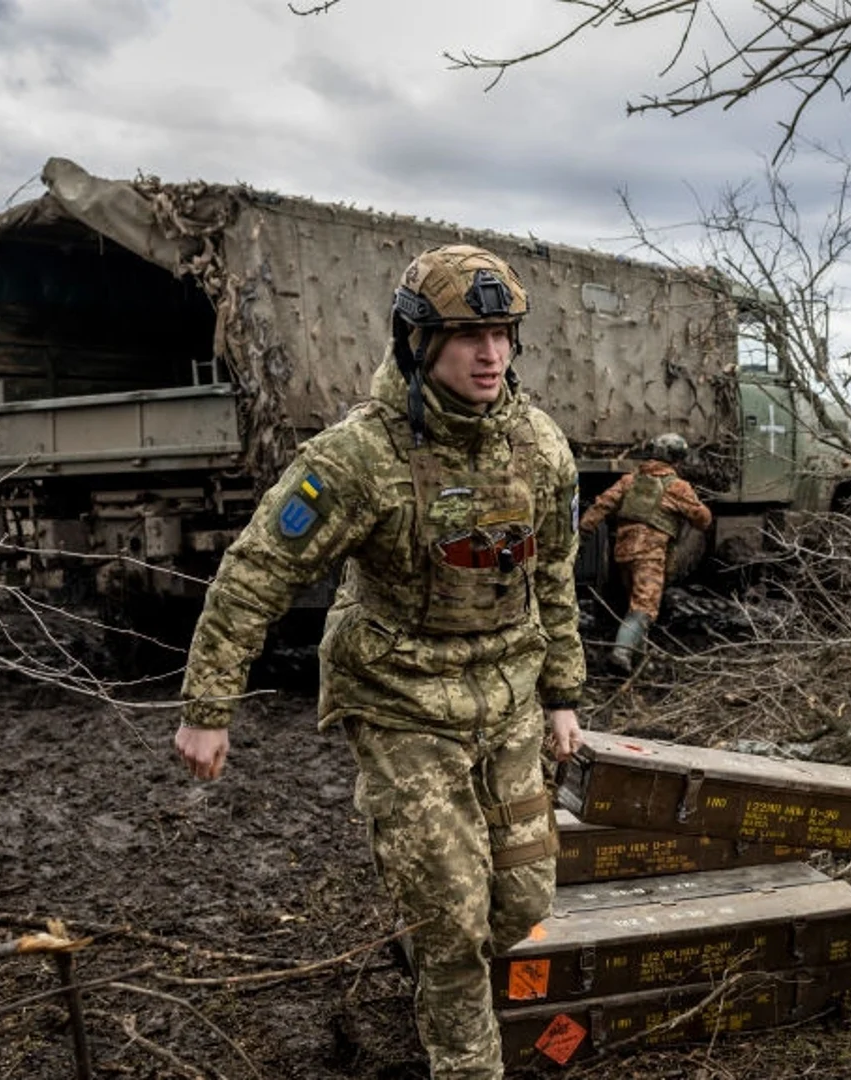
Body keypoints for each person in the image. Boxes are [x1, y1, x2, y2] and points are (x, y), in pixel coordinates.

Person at [171, 244, 586, 1080]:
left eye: (502, 333)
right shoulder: (357, 457)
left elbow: (554, 576)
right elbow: (258, 571)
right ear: (417, 343)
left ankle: (428, 937)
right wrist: (208, 708)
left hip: (506, 697)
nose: (490, 354)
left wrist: (561, 694)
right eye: (468, 335)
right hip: (399, 700)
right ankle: (463, 1049)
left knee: (522, 902)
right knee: (453, 919)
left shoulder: (540, 449)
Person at [577, 432, 713, 671]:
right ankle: (621, 653)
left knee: (635, 604)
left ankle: (638, 658)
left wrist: (581, 535)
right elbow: (703, 520)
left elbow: (601, 506)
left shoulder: (630, 480)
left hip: (623, 554)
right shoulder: (677, 487)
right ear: (677, 459)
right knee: (644, 605)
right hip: (650, 555)